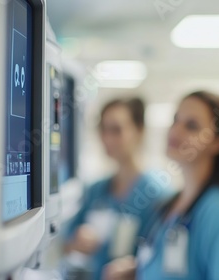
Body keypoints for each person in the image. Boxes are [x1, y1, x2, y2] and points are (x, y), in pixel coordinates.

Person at [104, 91, 219, 280]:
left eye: (191, 126)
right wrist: (137, 272)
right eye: (175, 120)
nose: (175, 131)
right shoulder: (171, 206)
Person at [63, 97, 170, 280]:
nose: (107, 138)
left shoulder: (158, 194)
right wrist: (77, 242)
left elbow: (163, 258)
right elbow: (65, 242)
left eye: (116, 130)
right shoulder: (96, 190)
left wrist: (135, 268)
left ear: (139, 131)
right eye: (103, 130)